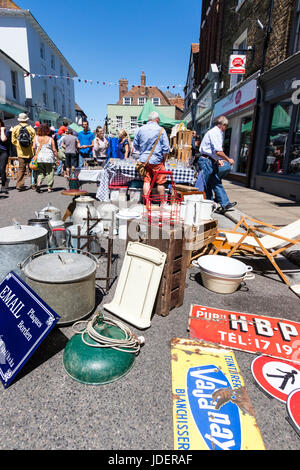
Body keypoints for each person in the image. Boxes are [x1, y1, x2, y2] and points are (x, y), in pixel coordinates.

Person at [199, 115, 237, 214]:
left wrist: (217, 160)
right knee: (206, 184)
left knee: (215, 181)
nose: (226, 128)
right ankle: (208, 204)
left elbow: (213, 151)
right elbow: (218, 151)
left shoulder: (216, 132)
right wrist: (228, 159)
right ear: (223, 125)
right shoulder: (216, 133)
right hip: (206, 161)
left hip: (209, 160)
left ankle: (224, 203)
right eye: (226, 126)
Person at [133, 111, 169, 199]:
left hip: (144, 160)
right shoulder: (161, 130)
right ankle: (162, 204)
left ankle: (147, 202)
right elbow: (166, 148)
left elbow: (135, 145)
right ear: (157, 119)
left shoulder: (140, 129)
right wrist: (164, 160)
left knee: (146, 181)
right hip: (157, 160)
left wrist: (143, 150)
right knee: (160, 182)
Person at [11, 113, 35, 191]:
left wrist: (18, 145)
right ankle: (33, 184)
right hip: (30, 152)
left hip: (20, 152)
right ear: (26, 119)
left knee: (21, 169)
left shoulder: (15, 128)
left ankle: (20, 185)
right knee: (32, 168)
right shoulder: (31, 128)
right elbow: (34, 140)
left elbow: (13, 140)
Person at [33, 123, 58, 193]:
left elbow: (34, 147)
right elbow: (54, 150)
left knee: (41, 172)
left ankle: (38, 184)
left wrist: (35, 154)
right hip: (49, 158)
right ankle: (49, 188)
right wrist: (57, 158)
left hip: (40, 158)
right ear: (47, 130)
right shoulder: (50, 139)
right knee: (50, 173)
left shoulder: (36, 138)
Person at [0, 119, 10, 194]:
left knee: (1, 169)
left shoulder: (5, 131)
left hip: (3, 152)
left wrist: (2, 130)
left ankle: (3, 186)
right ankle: (5, 180)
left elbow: (3, 139)